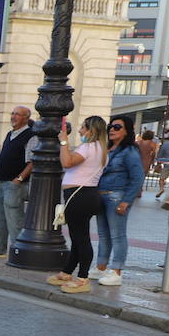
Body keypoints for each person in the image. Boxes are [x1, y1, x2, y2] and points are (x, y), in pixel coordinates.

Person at [44, 115, 108, 293]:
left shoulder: (89, 147)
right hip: (86, 195)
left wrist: (64, 142)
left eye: (83, 128)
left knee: (81, 239)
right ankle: (67, 272)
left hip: (79, 196)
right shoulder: (100, 149)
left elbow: (67, 162)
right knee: (77, 237)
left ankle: (83, 278)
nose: (80, 131)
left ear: (92, 131)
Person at [90, 114, 144, 286]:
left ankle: (117, 271)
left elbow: (137, 177)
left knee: (118, 235)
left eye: (117, 127)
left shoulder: (130, 151)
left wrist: (126, 201)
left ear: (127, 130)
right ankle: (101, 267)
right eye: (111, 127)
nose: (112, 130)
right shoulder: (109, 149)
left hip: (116, 196)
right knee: (103, 235)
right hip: (101, 196)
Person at [0, 105, 35, 258]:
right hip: (1, 180)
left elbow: (32, 161)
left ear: (26, 118)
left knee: (14, 218)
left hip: (15, 184)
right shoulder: (10, 134)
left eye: (18, 114)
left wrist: (20, 178)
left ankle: (18, 250)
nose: (13, 116)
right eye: (13, 113)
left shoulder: (31, 135)